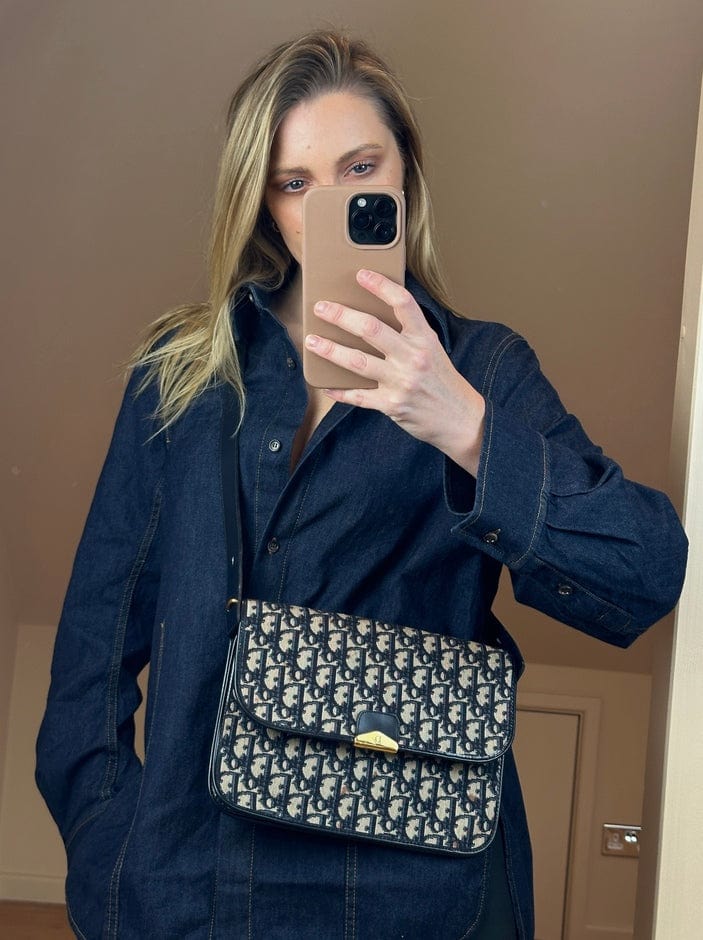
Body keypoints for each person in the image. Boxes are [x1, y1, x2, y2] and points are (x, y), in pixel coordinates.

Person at [35, 30, 687, 940]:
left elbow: (645, 572)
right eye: (294, 182)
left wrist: (463, 426)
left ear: (404, 175)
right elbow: (94, 650)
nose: (329, 204)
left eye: (359, 168)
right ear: (262, 204)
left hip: (416, 898)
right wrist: (113, 858)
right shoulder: (180, 376)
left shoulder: (482, 368)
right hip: (193, 890)